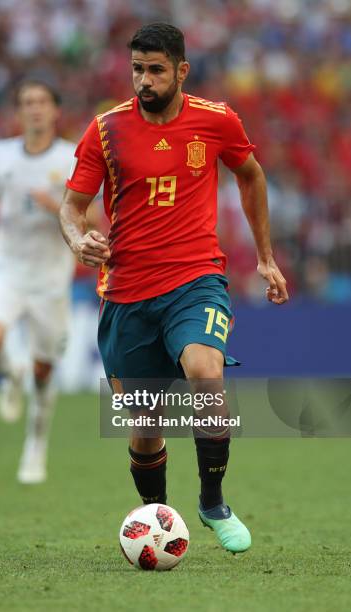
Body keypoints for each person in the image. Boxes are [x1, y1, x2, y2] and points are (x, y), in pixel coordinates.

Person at [60, 23, 288, 553]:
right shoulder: (106, 130)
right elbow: (71, 208)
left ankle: (212, 501)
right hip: (127, 292)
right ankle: (157, 517)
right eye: (138, 69)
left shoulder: (217, 120)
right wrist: (78, 240)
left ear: (181, 70)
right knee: (147, 424)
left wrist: (266, 258)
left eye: (156, 69)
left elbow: (250, 175)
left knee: (206, 374)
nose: (144, 80)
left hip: (195, 279)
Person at [0, 75, 76, 484]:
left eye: (42, 101)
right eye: (27, 102)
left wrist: (58, 207)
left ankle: (36, 446)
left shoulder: (71, 158)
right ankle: (11, 375)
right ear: (18, 111)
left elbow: (88, 218)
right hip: (7, 268)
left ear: (55, 110)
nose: (34, 108)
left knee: (44, 371)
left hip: (50, 278)